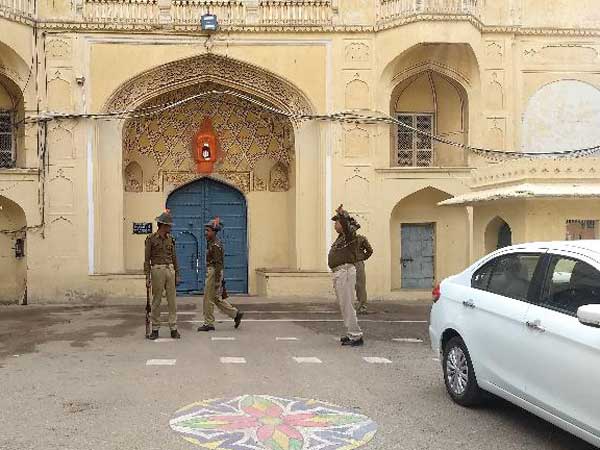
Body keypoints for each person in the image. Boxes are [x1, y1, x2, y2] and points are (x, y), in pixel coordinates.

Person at [197, 217, 244, 332]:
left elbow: (218, 263)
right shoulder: (212, 243)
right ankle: (235, 314)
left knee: (208, 298)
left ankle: (208, 323)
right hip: (214, 272)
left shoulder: (215, 245)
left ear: (214, 232)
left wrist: (218, 279)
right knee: (215, 298)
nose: (205, 233)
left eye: (208, 230)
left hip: (214, 272)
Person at [329, 205, 364, 347]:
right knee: (344, 305)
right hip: (340, 273)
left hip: (345, 272)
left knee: (347, 304)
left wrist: (343, 216)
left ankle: (356, 336)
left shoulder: (350, 235)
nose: (335, 225)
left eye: (337, 222)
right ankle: (351, 333)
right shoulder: (342, 238)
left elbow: (350, 226)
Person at [144, 210, 181, 340]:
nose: (170, 227)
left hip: (169, 269)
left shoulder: (171, 239)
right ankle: (155, 328)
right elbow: (147, 259)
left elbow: (174, 257)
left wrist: (177, 273)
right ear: (163, 225)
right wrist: (147, 277)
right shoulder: (151, 239)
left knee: (172, 300)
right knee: (157, 300)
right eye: (169, 225)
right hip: (157, 269)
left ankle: (173, 328)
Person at [354, 230, 373, 314]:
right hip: (346, 264)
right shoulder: (343, 240)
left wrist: (362, 258)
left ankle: (362, 306)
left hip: (358, 263)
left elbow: (369, 250)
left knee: (360, 285)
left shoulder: (361, 239)